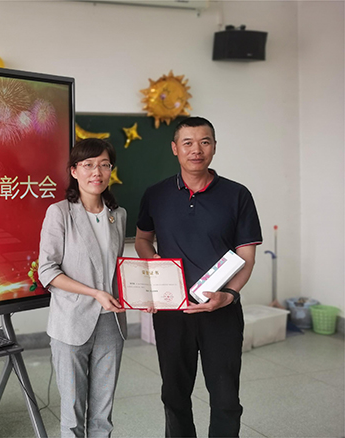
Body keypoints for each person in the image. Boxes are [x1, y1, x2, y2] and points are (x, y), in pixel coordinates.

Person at [134, 117, 262, 437]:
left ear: (214, 147)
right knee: (174, 395)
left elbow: (246, 257)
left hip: (222, 311)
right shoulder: (155, 194)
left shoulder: (237, 195)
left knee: (226, 398)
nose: (196, 150)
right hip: (172, 311)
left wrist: (228, 295)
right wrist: (155, 264)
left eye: (205, 142)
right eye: (188, 143)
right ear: (174, 148)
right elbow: (142, 239)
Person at [37, 138, 127, 437]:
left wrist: (145, 295)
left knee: (103, 414)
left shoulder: (118, 215)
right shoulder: (60, 212)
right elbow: (47, 271)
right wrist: (94, 293)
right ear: (74, 171)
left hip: (111, 324)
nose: (96, 172)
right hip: (71, 323)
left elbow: (117, 269)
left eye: (104, 165)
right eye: (88, 165)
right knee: (73, 412)